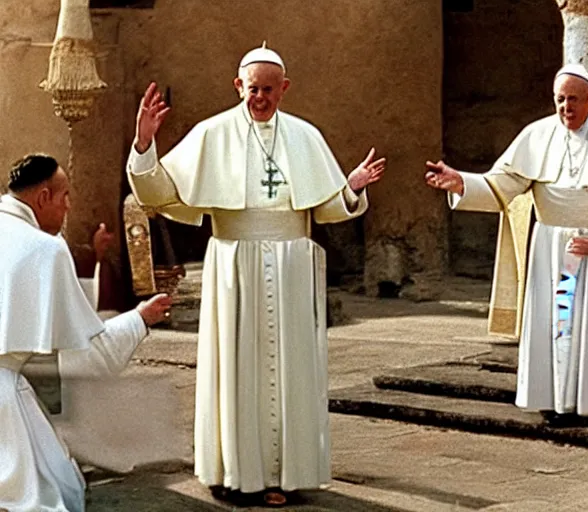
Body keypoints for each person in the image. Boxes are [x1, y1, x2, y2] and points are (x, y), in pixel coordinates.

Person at [126, 43, 385, 505]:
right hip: (234, 262)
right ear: (237, 86)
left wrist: (351, 187)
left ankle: (285, 474)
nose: (260, 98)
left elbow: (324, 206)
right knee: (235, 364)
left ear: (284, 88)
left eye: (269, 89)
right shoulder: (212, 133)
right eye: (252, 89)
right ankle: (233, 472)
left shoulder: (306, 136)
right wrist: (145, 145)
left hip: (292, 265)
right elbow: (161, 193)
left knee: (291, 368)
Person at [425, 64, 588, 421]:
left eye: (574, 100)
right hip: (553, 251)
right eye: (560, 100)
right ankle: (557, 401)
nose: (566, 107)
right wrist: (461, 183)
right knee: (557, 325)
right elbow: (501, 187)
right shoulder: (535, 136)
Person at [0, 154, 172, 512]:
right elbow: (91, 351)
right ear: (44, 197)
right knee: (47, 494)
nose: (68, 206)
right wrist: (140, 318)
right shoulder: (46, 248)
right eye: (64, 196)